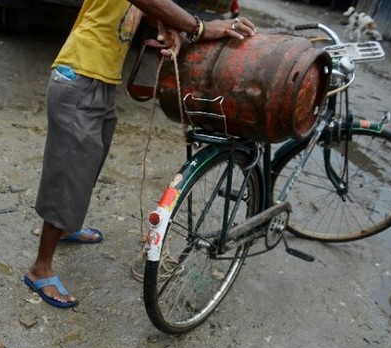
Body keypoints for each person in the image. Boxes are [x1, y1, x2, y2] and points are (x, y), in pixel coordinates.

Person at [24, 0, 255, 308]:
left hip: (99, 78)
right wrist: (199, 27)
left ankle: (67, 227)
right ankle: (40, 268)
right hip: (80, 75)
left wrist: (166, 25)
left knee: (88, 162)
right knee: (69, 170)